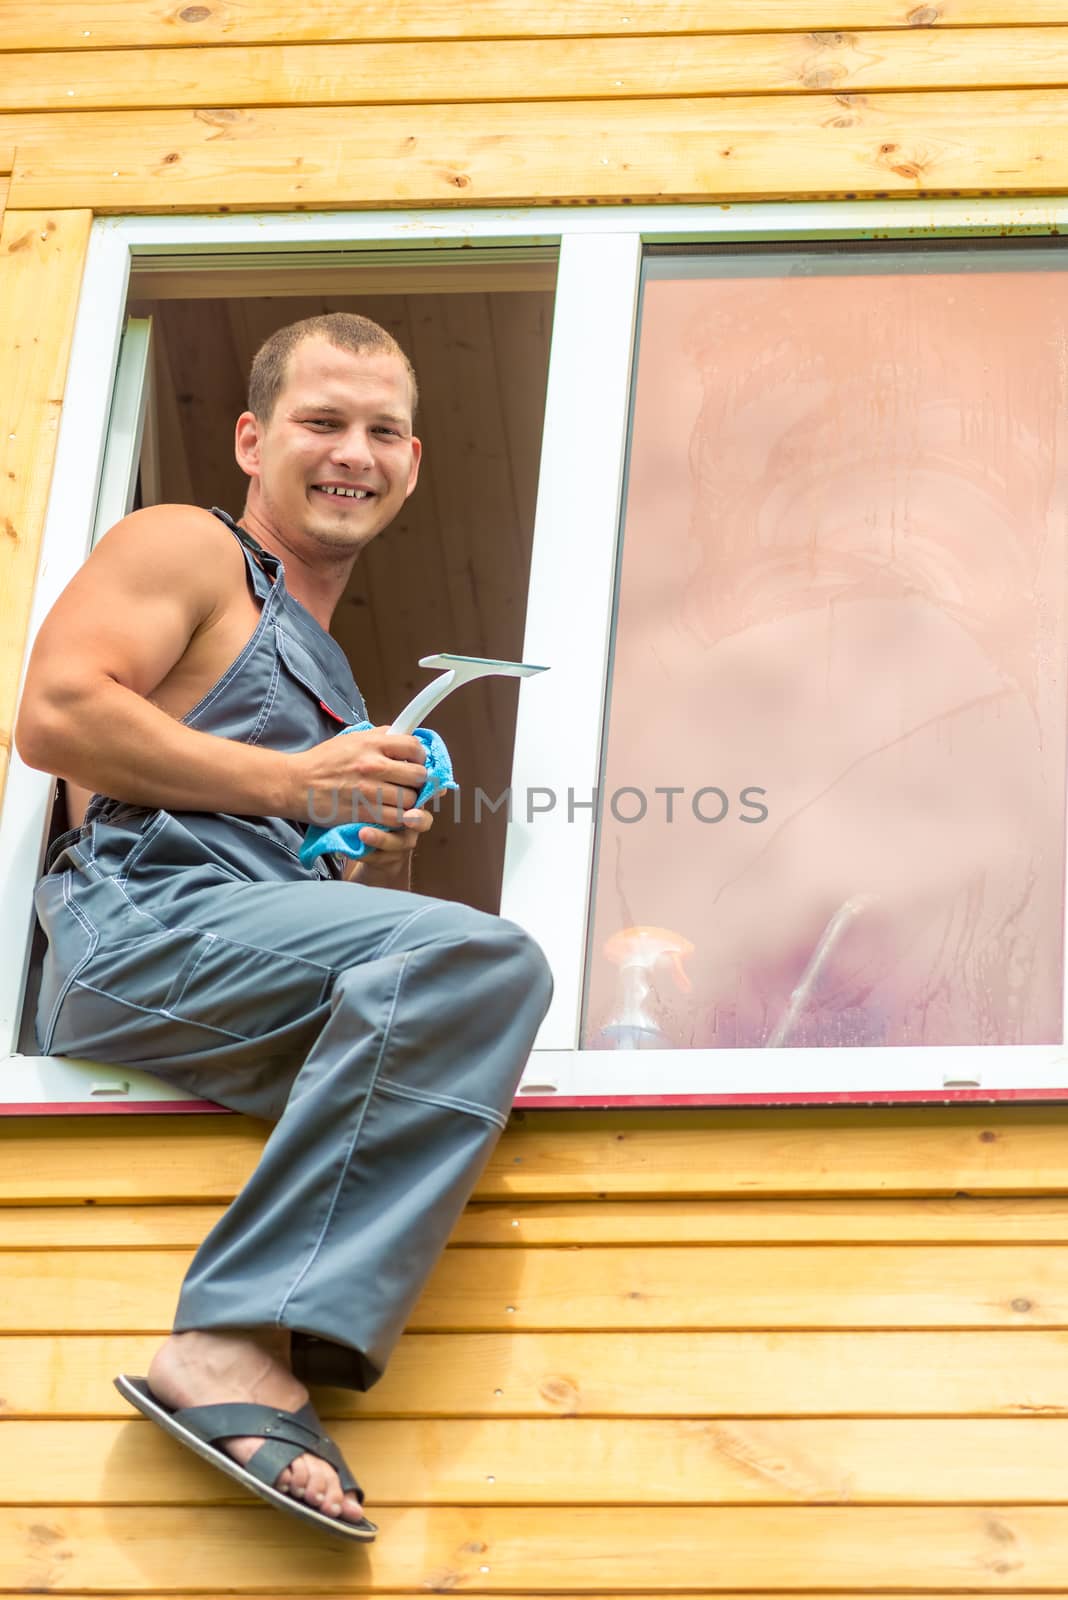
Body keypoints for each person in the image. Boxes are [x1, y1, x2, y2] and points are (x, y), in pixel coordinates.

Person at [14, 312, 553, 1541]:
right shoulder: (189, 548)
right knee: (478, 954)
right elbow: (54, 714)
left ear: (412, 464)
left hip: (212, 949)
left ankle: (263, 1337)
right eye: (320, 421)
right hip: (132, 923)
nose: (351, 450)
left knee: (454, 985)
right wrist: (294, 787)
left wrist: (347, 856)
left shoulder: (332, 675)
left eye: (382, 431)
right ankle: (229, 1343)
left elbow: (297, 888)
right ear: (253, 440)